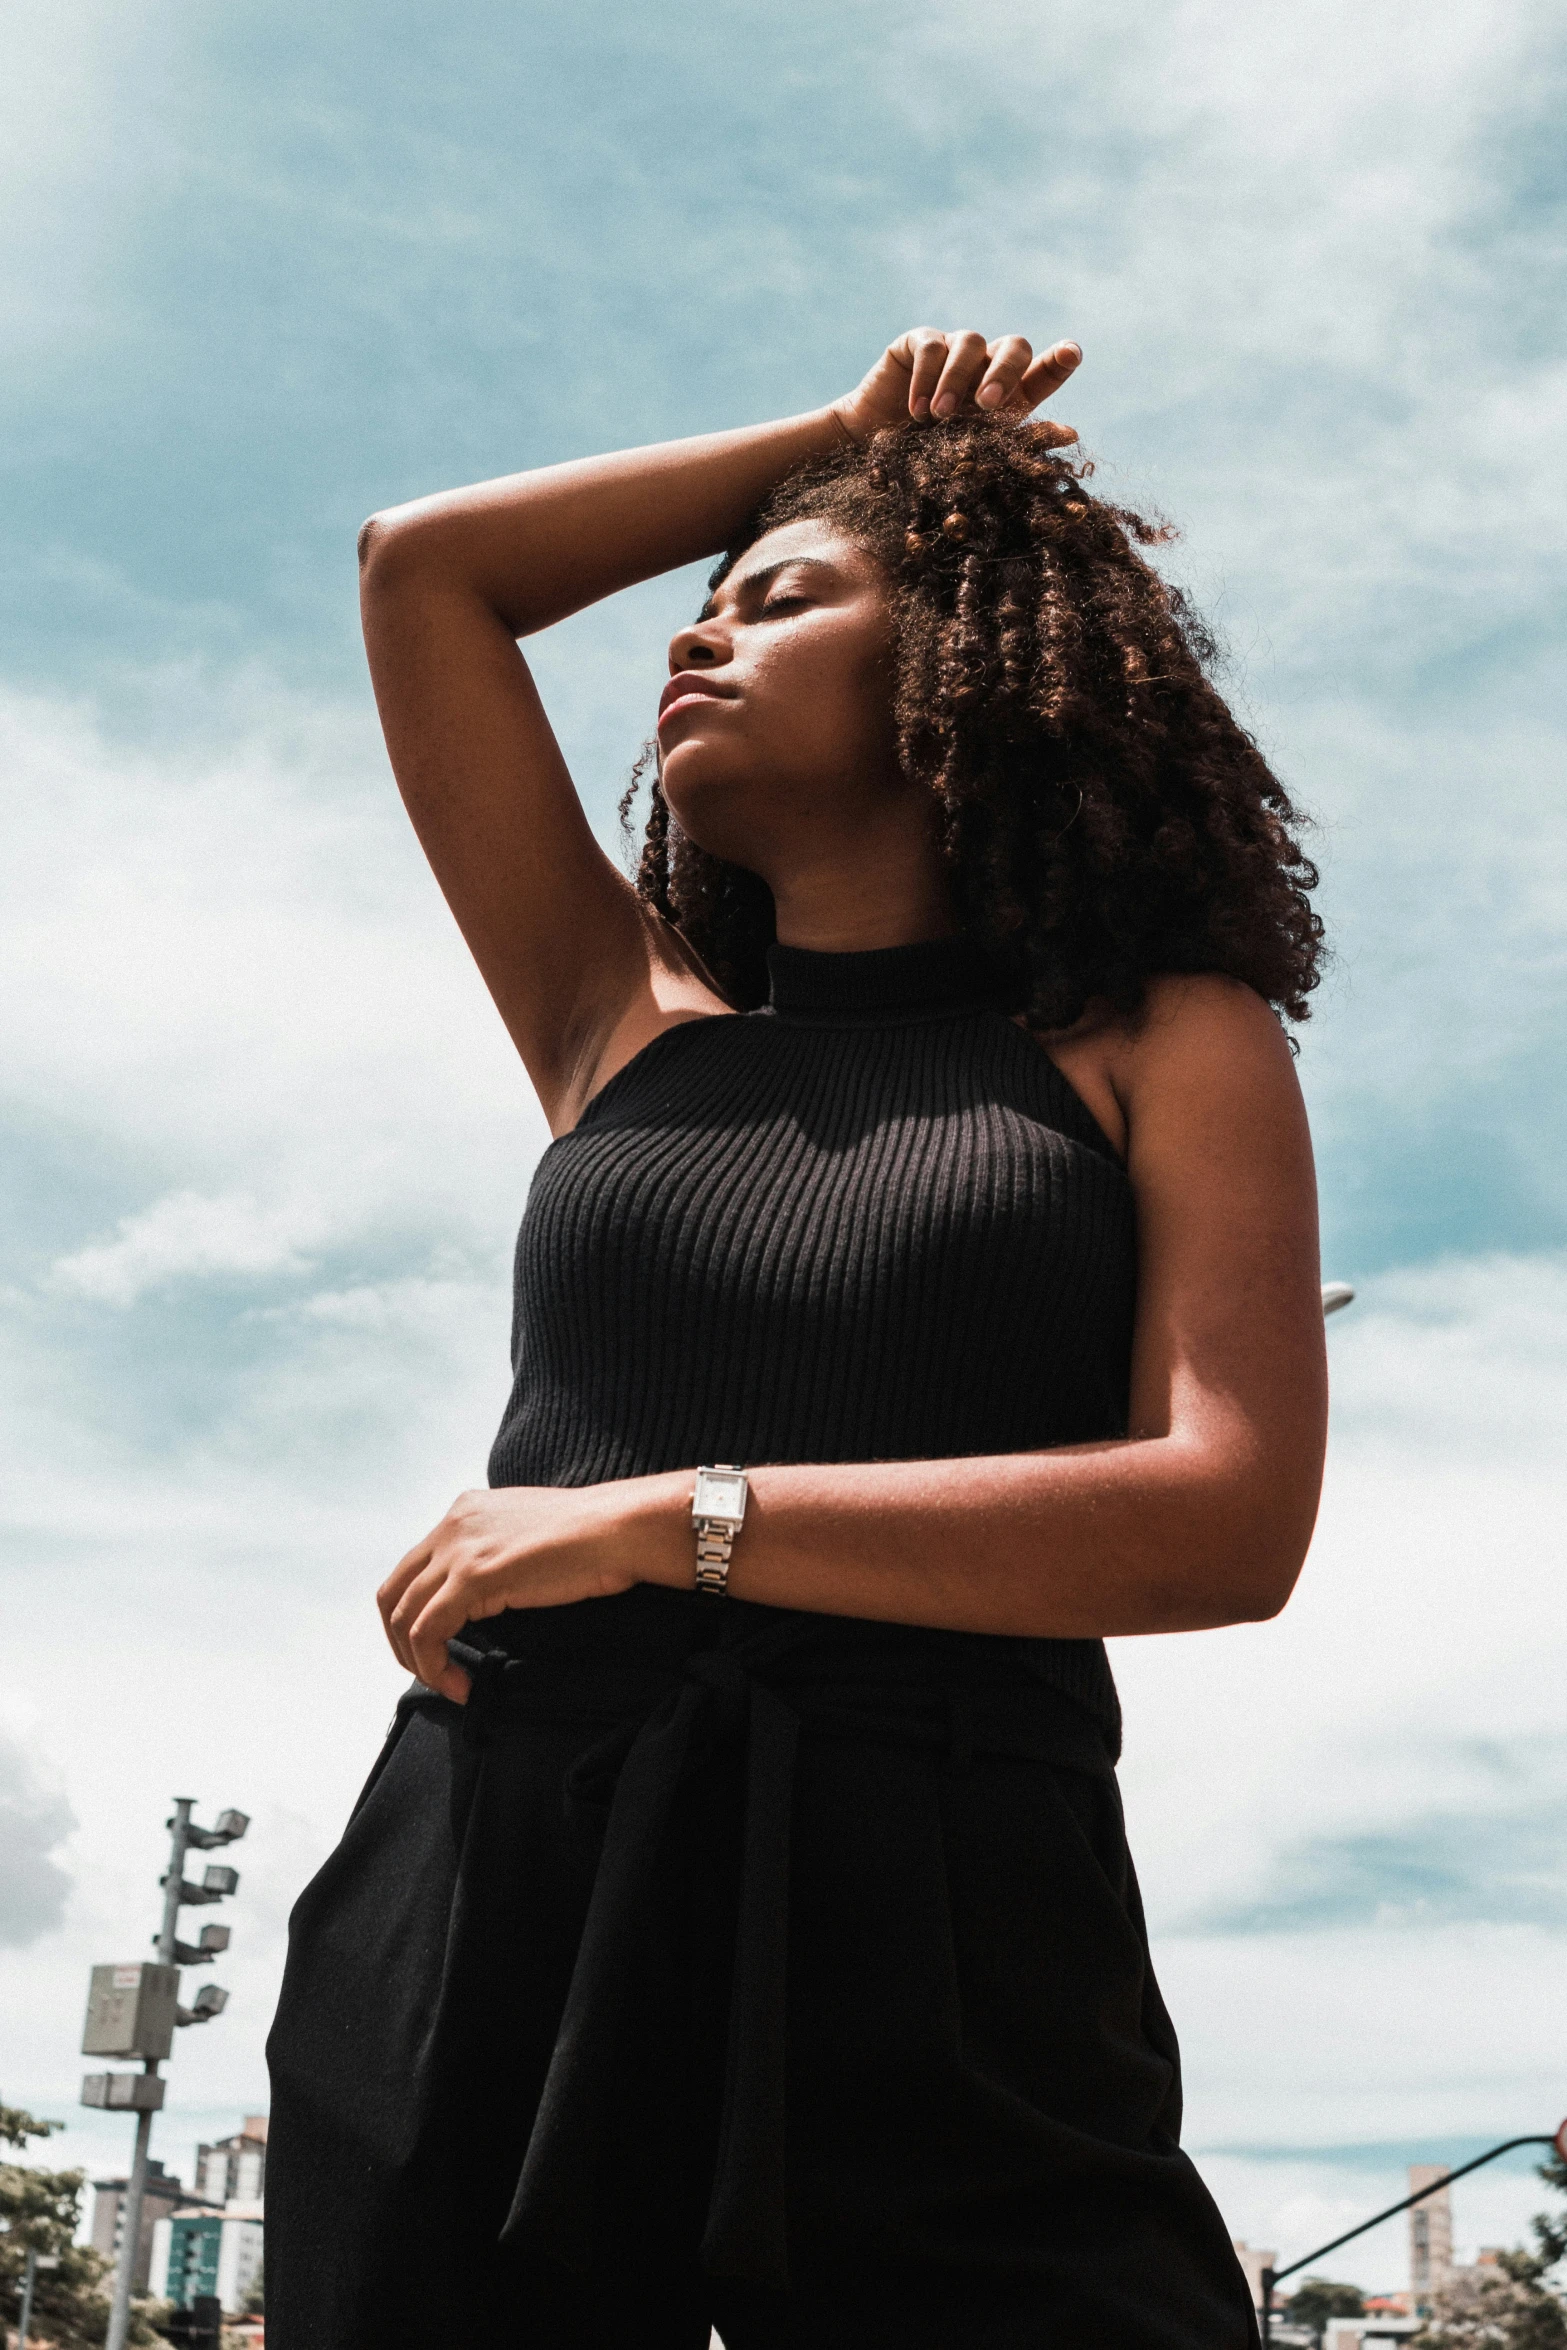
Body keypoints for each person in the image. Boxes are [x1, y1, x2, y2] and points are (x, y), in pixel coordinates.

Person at [265, 327, 1328, 2349]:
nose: (694, 640)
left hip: (942, 1899)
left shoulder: (1155, 1039)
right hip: (497, 1875)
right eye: (697, 606)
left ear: (963, 669)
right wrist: (839, 445)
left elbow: (1229, 1514)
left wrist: (669, 1515)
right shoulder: (619, 1024)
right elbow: (426, 571)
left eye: (783, 597)